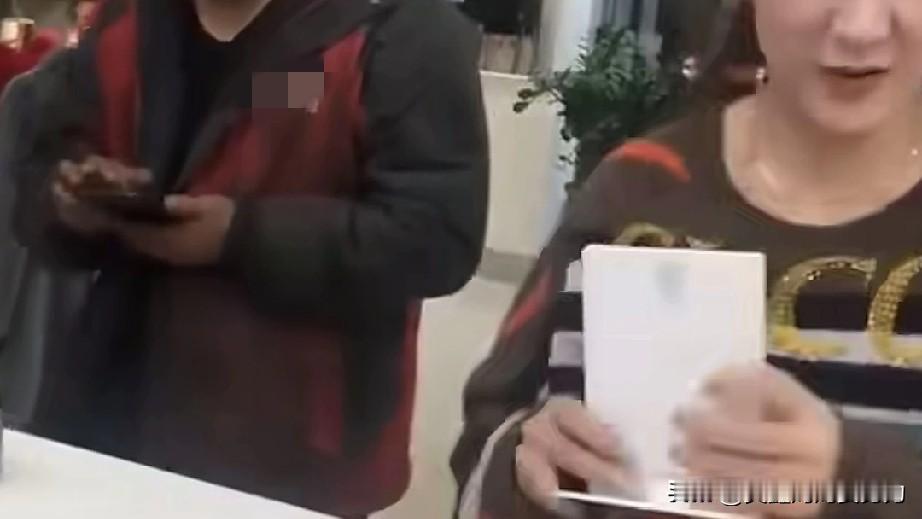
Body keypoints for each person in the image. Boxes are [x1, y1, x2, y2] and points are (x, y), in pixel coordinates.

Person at [10, 0, 488, 517]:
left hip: (292, 453)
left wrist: (239, 237)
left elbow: (435, 236)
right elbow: (45, 167)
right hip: (108, 425)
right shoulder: (127, 20)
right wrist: (72, 201)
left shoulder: (399, 30)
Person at [453, 0, 922, 518]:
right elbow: (485, 448)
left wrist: (852, 479)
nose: (861, 27)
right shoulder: (637, 189)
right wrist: (528, 467)